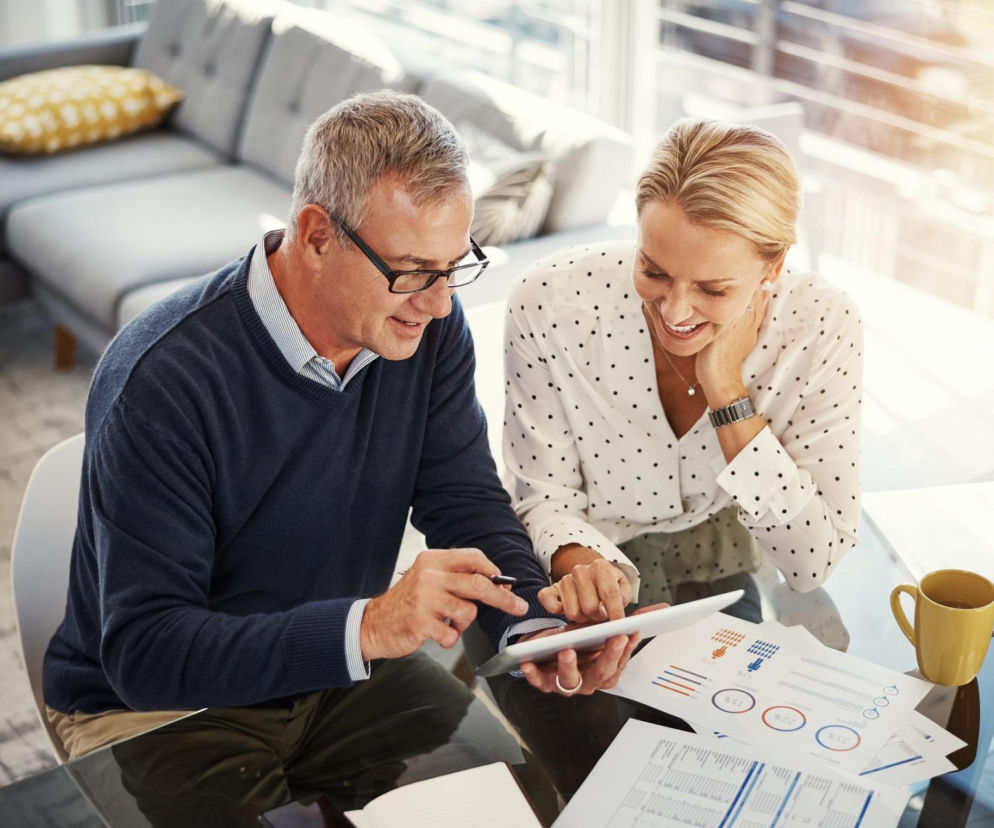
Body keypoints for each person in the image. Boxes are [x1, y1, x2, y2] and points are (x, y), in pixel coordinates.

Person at [41, 91, 639, 815]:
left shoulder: (424, 330)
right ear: (317, 234)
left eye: (456, 266)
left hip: (339, 667)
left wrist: (531, 628)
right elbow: (146, 654)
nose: (442, 303)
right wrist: (371, 625)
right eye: (415, 270)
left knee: (525, 806)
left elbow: (465, 501)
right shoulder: (163, 380)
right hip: (165, 706)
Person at [503, 118, 863, 624]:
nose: (674, 312)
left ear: (774, 266)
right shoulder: (550, 303)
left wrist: (727, 392)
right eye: (653, 271)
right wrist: (583, 567)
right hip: (578, 557)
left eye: (713, 290)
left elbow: (811, 561)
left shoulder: (821, 326)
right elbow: (543, 496)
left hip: (721, 556)